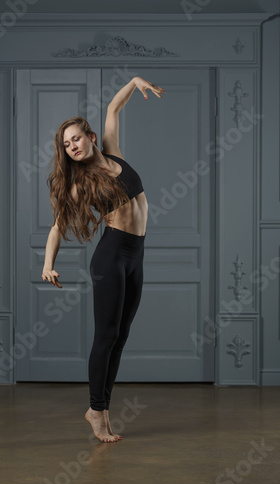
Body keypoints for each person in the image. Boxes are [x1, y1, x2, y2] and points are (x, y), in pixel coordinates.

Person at [41, 76, 165, 443]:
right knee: (106, 335)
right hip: (111, 258)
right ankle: (96, 409)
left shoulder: (111, 152)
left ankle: (102, 410)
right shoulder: (79, 182)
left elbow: (113, 108)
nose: (72, 146)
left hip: (135, 256)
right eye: (66, 145)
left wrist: (134, 82)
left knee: (121, 336)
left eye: (76, 138)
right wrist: (48, 264)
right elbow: (57, 227)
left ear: (91, 137)